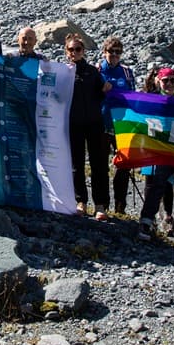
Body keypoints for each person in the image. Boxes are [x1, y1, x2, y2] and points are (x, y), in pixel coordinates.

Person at [138, 68, 174, 242]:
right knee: (157, 186)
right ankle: (146, 222)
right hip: (162, 150)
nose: (169, 84)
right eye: (165, 81)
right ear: (158, 82)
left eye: (173, 80)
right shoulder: (153, 100)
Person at [65, 34, 111, 220]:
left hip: (94, 123)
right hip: (73, 124)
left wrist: (107, 88)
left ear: (83, 51)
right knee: (76, 164)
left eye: (78, 49)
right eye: (71, 49)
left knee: (99, 164)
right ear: (66, 52)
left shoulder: (92, 72)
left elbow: (103, 92)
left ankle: (100, 204)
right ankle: (80, 201)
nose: (74, 52)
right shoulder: (62, 71)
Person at [98, 36, 135, 214]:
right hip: (102, 124)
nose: (114, 55)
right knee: (101, 165)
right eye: (111, 51)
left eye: (117, 52)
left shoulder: (127, 73)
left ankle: (120, 205)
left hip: (122, 126)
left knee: (124, 165)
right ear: (104, 52)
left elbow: (134, 98)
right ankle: (103, 204)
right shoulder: (97, 70)